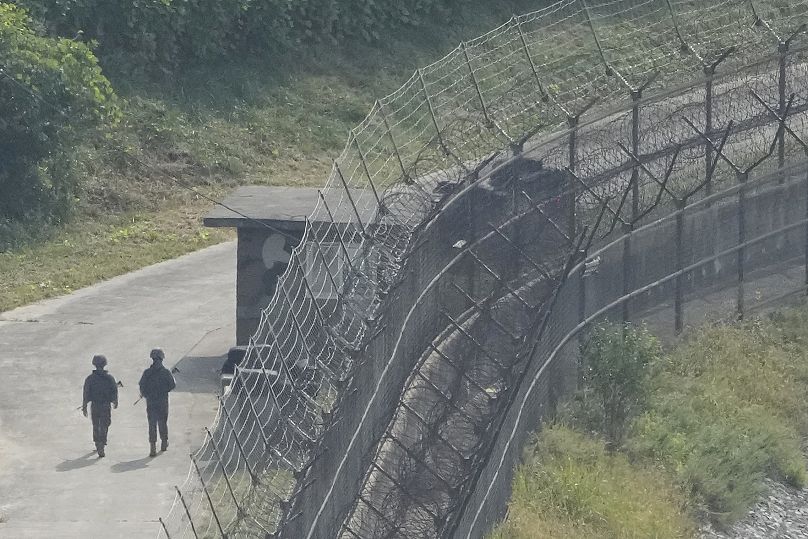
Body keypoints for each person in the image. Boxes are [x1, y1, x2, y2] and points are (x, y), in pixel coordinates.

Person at [138, 348, 176, 457]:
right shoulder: (166, 372)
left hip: (151, 402)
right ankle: (164, 442)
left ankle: (153, 446)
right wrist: (163, 390)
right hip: (162, 400)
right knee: (163, 421)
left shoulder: (147, 373)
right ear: (161, 358)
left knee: (152, 423)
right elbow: (172, 385)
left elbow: (142, 386)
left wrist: (146, 394)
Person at [82, 355, 118, 458]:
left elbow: (86, 392)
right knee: (105, 424)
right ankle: (102, 443)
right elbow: (114, 390)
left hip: (95, 405)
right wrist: (115, 401)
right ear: (104, 364)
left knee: (95, 424)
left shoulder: (90, 378)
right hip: (105, 405)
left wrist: (84, 405)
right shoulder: (109, 378)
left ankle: (97, 443)